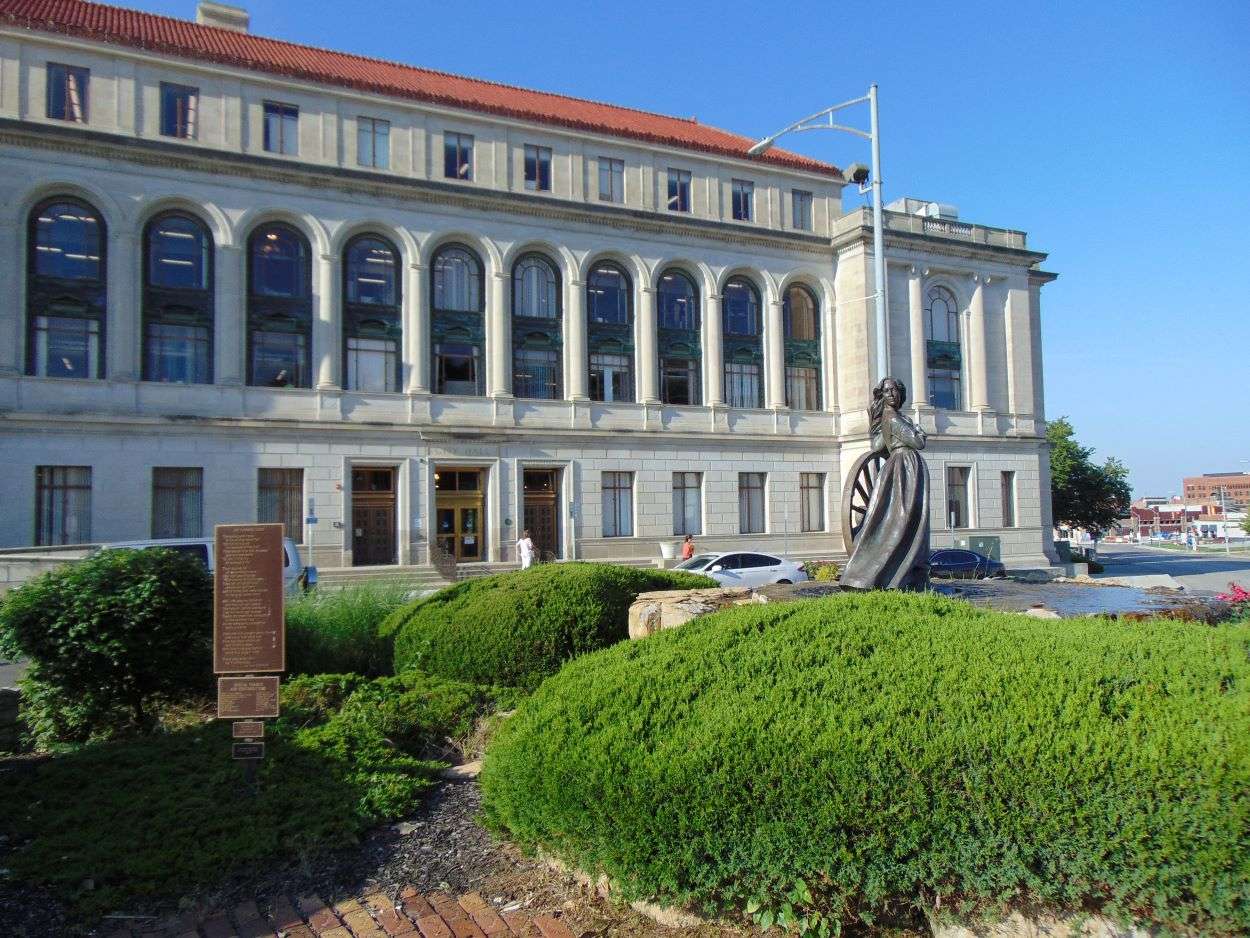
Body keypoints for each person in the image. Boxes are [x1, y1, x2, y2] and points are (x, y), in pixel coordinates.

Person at [840, 377, 931, 591]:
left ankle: (899, 570)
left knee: (905, 518)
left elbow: (877, 444)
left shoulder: (891, 418)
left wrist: (878, 426)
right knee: (904, 518)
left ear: (901, 393)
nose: (891, 394)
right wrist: (919, 430)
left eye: (894, 390)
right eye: (886, 391)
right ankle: (897, 571)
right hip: (905, 467)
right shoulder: (894, 419)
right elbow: (918, 442)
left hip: (900, 467)